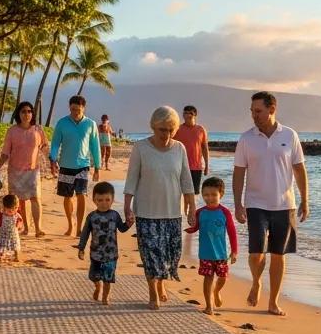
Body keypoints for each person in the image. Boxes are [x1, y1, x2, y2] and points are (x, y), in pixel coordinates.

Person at [233, 91, 309, 317]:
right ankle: (256, 281)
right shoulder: (246, 139)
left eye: (258, 111)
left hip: (285, 205)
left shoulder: (290, 135)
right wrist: (238, 204)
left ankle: (273, 302)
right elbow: (239, 173)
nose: (254, 115)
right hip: (255, 203)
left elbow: (299, 169)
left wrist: (305, 199)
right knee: (256, 253)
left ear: (272, 109)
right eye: (252, 111)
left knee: (278, 254)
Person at [123, 106, 196, 310]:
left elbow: (186, 180)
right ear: (153, 127)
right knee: (150, 254)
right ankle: (153, 292)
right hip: (146, 211)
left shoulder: (179, 148)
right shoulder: (141, 148)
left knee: (169, 255)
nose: (167, 134)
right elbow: (131, 179)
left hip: (172, 211)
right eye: (162, 130)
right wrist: (127, 206)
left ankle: (161, 282)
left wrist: (191, 206)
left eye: (171, 130)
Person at [49, 95, 101, 237]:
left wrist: (97, 167)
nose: (75, 112)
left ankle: (79, 228)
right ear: (69, 108)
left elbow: (95, 146)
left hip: (83, 165)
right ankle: (70, 225)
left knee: (81, 194)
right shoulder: (62, 123)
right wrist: (53, 159)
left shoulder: (90, 124)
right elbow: (55, 143)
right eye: (72, 109)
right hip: (65, 165)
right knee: (67, 196)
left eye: (78, 110)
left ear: (83, 108)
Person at [0, 101, 47, 237]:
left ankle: (38, 229)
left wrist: (53, 162)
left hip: (33, 169)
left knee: (35, 198)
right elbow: (6, 152)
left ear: (32, 114)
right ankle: (26, 228)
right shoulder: (12, 131)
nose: (26, 114)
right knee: (20, 201)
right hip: (15, 171)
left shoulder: (38, 130)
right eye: (23, 111)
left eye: (29, 111)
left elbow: (44, 147)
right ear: (18, 114)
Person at [185, 176, 238, 315]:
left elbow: (232, 232)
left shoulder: (225, 212)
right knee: (208, 278)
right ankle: (209, 306)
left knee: (222, 277)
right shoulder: (200, 212)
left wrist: (234, 251)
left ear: (221, 194)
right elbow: (196, 227)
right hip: (205, 253)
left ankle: (217, 291)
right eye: (206, 195)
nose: (210, 198)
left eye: (214, 195)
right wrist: (190, 229)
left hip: (221, 254)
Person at [77, 181, 129, 305]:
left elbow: (122, 229)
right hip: (95, 254)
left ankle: (105, 296)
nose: (104, 203)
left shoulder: (115, 215)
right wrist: (81, 248)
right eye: (100, 200)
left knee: (108, 278)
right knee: (93, 276)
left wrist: (128, 223)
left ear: (112, 200)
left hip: (111, 255)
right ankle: (97, 286)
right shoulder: (91, 217)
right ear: (94, 200)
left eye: (107, 200)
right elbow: (85, 233)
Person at [174, 104, 209, 194]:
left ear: (195, 115)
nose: (187, 115)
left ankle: (193, 205)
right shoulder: (178, 129)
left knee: (194, 193)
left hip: (196, 167)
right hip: (181, 166)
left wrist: (207, 166)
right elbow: (171, 146)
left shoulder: (201, 129)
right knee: (181, 192)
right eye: (185, 113)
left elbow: (205, 148)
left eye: (190, 113)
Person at [0, 193, 24, 262]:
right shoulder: (2, 215)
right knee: (1, 246)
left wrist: (19, 226)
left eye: (15, 208)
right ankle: (0, 256)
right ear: (4, 207)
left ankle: (16, 256)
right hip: (3, 234)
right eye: (10, 209)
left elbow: (20, 221)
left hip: (13, 234)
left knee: (15, 245)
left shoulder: (17, 215)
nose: (12, 211)